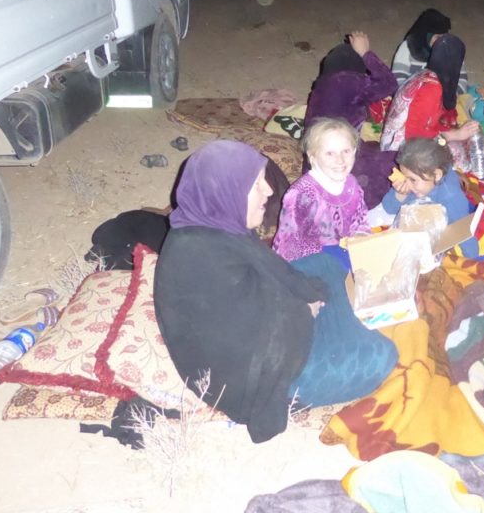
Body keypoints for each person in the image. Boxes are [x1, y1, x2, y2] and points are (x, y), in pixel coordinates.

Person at [154, 140, 397, 444]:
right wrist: (302, 310)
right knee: (382, 356)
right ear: (227, 192)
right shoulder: (204, 259)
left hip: (258, 323)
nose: (270, 191)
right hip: (266, 379)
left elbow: (263, 276)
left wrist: (301, 297)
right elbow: (252, 341)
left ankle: (346, 322)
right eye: (257, 184)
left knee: (324, 260)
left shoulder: (206, 224)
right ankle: (350, 330)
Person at [273, 118, 369, 261]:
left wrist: (361, 238)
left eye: (346, 151)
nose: (340, 160)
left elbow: (360, 219)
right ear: (312, 157)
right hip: (310, 263)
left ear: (354, 151)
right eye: (330, 153)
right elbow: (290, 243)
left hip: (346, 254)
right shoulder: (303, 194)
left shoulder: (352, 184)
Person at [380, 34, 481, 167]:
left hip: (410, 135)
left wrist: (450, 132)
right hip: (400, 149)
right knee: (458, 155)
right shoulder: (432, 89)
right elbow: (413, 136)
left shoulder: (427, 74)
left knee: (464, 142)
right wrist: (453, 135)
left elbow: (430, 117)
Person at [378, 138, 478, 259]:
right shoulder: (417, 182)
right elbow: (388, 208)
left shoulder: (450, 197)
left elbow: (464, 231)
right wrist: (401, 193)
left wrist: (473, 260)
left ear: (436, 175)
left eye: (412, 180)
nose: (407, 183)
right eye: (404, 177)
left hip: (441, 221)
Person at [305, 31, 398, 129]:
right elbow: (390, 83)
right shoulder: (351, 83)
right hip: (340, 140)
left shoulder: (319, 87)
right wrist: (366, 54)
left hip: (313, 138)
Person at [391, 8, 469, 94]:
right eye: (437, 37)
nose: (441, 41)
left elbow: (462, 79)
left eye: (444, 37)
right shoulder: (407, 48)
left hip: (441, 96)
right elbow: (397, 80)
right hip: (412, 95)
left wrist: (447, 97)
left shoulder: (449, 47)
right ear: (426, 36)